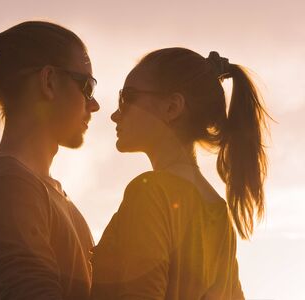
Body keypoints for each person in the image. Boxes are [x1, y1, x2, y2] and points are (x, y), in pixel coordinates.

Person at [91, 48, 271, 300]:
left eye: (128, 98)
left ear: (172, 107)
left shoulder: (151, 191)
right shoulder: (219, 212)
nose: (115, 114)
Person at [0, 20, 100, 300]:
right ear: (49, 81)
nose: (94, 105)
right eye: (87, 87)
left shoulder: (48, 194)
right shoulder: (7, 187)